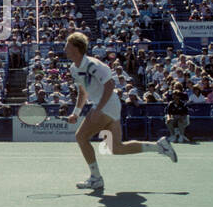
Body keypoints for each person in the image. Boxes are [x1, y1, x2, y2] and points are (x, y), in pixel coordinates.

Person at [63, 31, 176, 194]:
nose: (65, 48)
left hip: (107, 104)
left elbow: (109, 86)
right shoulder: (74, 68)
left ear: (76, 47)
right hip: (110, 106)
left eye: (67, 44)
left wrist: (98, 109)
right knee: (117, 148)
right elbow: (82, 91)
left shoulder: (92, 64)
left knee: (81, 136)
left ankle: (95, 178)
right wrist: (76, 112)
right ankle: (159, 147)